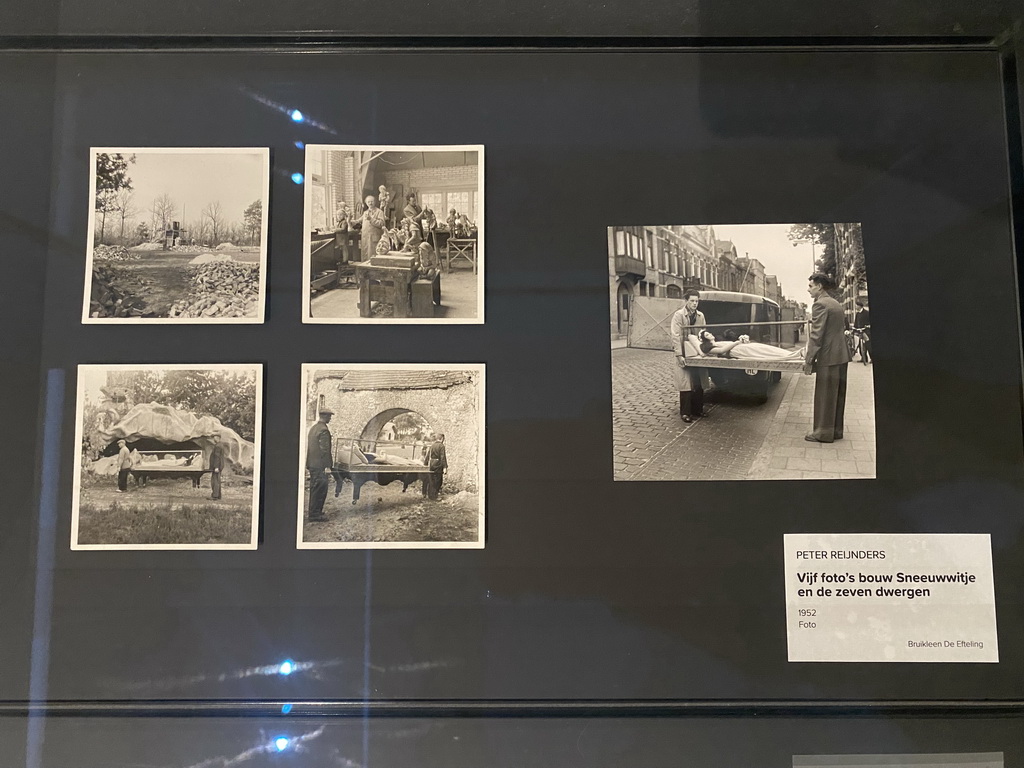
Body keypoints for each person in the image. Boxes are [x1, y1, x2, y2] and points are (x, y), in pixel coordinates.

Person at [804, 273, 852, 443]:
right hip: (841, 355)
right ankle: (836, 430)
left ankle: (822, 433)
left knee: (825, 396)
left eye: (811, 286)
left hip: (829, 356)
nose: (808, 289)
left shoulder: (820, 305)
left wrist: (809, 360)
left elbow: (817, 335)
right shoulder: (835, 303)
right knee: (837, 395)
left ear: (819, 286)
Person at [669, 288, 711, 423]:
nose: (694, 303)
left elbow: (703, 333)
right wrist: (679, 355)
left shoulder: (700, 316)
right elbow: (675, 335)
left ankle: (698, 409)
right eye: (692, 301)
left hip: (696, 351)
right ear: (686, 301)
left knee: (698, 381)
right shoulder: (678, 315)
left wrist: (704, 349)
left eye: (696, 301)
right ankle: (685, 412)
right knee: (685, 383)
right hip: (684, 351)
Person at [697, 329, 804, 360]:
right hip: (736, 351)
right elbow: (722, 351)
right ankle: (794, 355)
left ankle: (795, 354)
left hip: (739, 347)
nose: (710, 334)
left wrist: (741, 341)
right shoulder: (708, 347)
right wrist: (737, 342)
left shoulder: (717, 342)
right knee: (764, 353)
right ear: (704, 339)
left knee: (763, 348)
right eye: (707, 334)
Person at [306, 408, 334, 521]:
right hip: (320, 466)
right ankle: (314, 515)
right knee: (321, 489)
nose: (330, 418)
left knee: (315, 488)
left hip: (312, 464)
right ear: (325, 416)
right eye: (330, 416)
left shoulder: (313, 428)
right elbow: (324, 450)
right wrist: (327, 466)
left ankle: (315, 512)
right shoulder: (323, 430)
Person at [359, 195, 387, 261]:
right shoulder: (365, 212)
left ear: (375, 202)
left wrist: (371, 219)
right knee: (365, 256)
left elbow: (381, 224)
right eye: (368, 202)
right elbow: (359, 221)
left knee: (374, 256)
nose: (370, 203)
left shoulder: (379, 212)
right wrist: (350, 221)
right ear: (366, 203)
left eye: (372, 201)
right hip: (365, 238)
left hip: (374, 238)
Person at [424, 434, 448, 500]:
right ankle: (435, 496)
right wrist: (445, 467)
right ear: (442, 438)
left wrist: (425, 464)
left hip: (432, 464)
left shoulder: (432, 445)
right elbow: (443, 457)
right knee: (438, 481)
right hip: (438, 464)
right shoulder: (441, 446)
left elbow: (428, 455)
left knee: (431, 480)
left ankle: (430, 495)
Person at [853, 296, 871, 364]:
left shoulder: (866, 313)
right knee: (861, 346)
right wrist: (854, 328)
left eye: (856, 306)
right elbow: (856, 322)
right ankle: (863, 358)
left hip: (866, 331)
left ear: (860, 306)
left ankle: (872, 358)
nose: (855, 307)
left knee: (868, 345)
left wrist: (867, 326)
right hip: (860, 331)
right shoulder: (857, 314)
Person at [209, 433, 225, 500]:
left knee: (215, 481)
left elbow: (217, 457)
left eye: (214, 437)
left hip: (217, 466)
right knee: (217, 480)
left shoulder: (218, 446)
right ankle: (218, 496)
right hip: (218, 465)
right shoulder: (219, 445)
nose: (213, 439)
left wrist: (216, 467)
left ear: (218, 437)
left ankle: (215, 496)